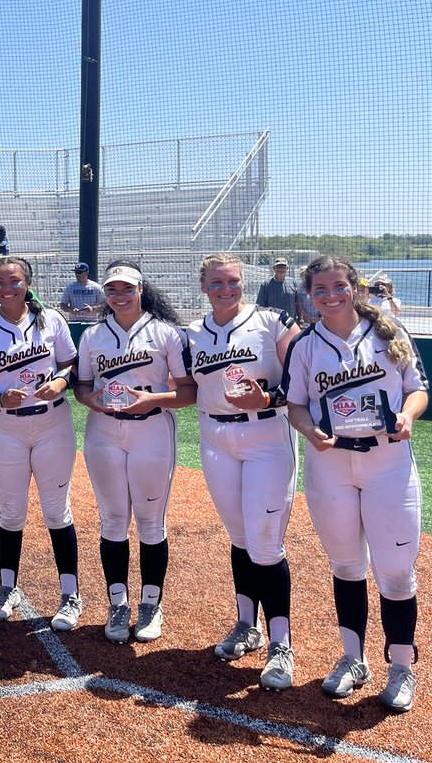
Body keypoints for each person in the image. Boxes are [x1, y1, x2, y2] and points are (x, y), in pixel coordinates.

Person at [282, 255, 429, 712]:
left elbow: (418, 388)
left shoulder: (388, 331)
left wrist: (407, 415)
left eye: (339, 286)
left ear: (355, 287)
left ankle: (401, 666)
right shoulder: (306, 345)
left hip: (388, 462)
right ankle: (352, 658)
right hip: (331, 465)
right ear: (310, 294)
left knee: (397, 571)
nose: (330, 295)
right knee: (346, 567)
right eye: (320, 289)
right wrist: (308, 430)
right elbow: (296, 405)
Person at [187, 252, 303, 691]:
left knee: (266, 542)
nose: (226, 288)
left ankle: (281, 644)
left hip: (267, 437)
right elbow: (184, 385)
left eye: (233, 281)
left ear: (243, 282)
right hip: (216, 437)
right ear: (204, 286)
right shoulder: (194, 332)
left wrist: (270, 398)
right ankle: (246, 625)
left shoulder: (272, 320)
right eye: (216, 282)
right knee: (239, 538)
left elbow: (303, 377)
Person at [0, 256, 83, 630]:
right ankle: (8, 587)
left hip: (52, 423)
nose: (6, 288)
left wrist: (60, 382)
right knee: (11, 511)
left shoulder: (51, 320)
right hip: (5, 426)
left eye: (13, 281)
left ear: (27, 283)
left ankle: (70, 593)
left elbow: (72, 365)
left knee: (57, 510)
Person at [73, 261, 196, 643]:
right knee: (111, 520)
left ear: (141, 289)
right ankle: (118, 603)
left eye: (127, 288)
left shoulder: (165, 333)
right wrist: (91, 400)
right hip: (104, 433)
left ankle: (150, 605)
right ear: (104, 294)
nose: (120, 296)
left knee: (149, 522)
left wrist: (152, 399)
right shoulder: (93, 335)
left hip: (153, 431)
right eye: (112, 290)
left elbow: (189, 391)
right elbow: (81, 388)